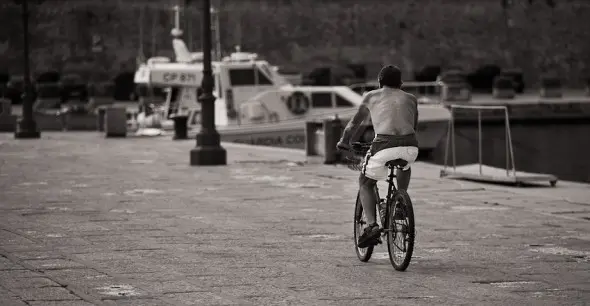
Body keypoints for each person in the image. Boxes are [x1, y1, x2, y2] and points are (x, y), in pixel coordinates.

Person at [337, 65, 419, 248]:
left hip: (384, 144)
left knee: (365, 182)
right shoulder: (411, 98)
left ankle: (372, 227)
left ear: (380, 83)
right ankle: (400, 201)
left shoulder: (371, 96)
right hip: (410, 146)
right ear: (401, 83)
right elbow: (414, 125)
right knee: (404, 164)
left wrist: (344, 141)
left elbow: (354, 123)